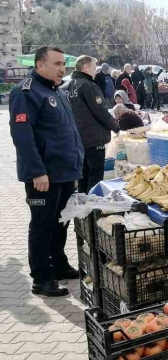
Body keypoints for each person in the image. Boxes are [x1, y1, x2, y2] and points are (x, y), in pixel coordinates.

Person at [9, 46, 84, 297]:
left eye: (64, 64)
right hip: (44, 177)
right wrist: (37, 172)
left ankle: (59, 266)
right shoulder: (26, 92)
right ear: (40, 65)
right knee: (42, 226)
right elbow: (23, 137)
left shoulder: (57, 90)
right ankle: (41, 278)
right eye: (56, 63)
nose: (62, 68)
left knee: (61, 223)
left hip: (65, 173)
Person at [61, 55, 120, 194]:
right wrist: (115, 127)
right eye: (94, 68)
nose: (95, 71)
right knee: (94, 177)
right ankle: (91, 210)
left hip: (75, 140)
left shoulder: (63, 87)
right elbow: (101, 112)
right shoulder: (88, 86)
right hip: (93, 140)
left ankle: (82, 211)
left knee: (82, 177)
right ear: (85, 67)